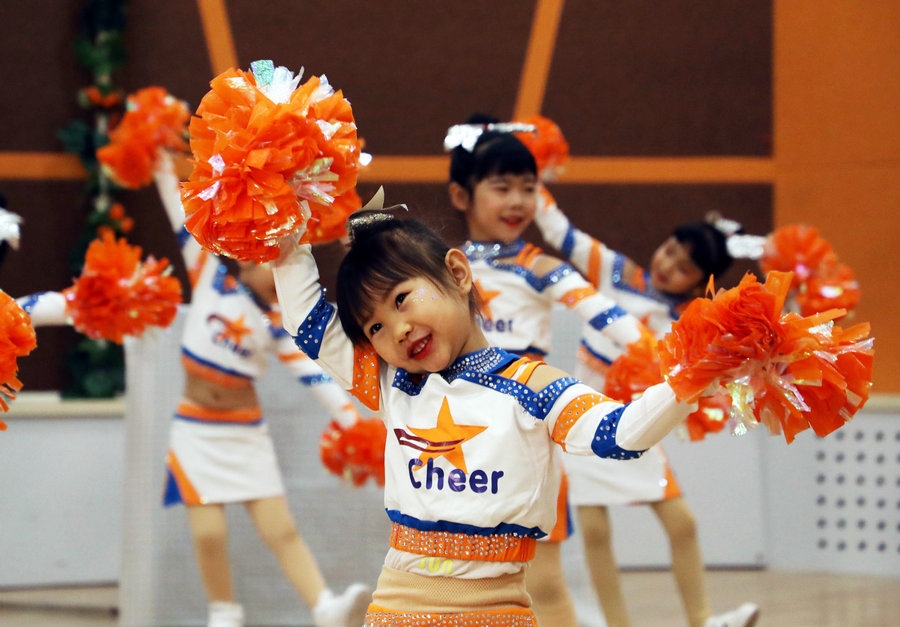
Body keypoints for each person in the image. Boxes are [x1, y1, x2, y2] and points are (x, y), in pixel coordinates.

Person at [270, 202, 699, 626]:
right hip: (398, 613)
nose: (397, 330)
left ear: (458, 273)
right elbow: (306, 321)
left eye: (401, 299)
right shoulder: (391, 383)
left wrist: (696, 374)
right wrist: (286, 217)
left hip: (502, 612)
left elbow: (618, 434)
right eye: (374, 327)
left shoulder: (535, 387)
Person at [444, 115, 658, 627]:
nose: (518, 200)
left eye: (528, 187)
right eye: (502, 187)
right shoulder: (439, 267)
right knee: (456, 579)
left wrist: (668, 357)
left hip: (525, 438)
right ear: (461, 196)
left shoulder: (543, 267)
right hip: (454, 439)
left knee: (542, 582)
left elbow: (605, 315)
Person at [152, 156, 371, 627]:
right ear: (246, 256)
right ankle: (223, 612)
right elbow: (181, 218)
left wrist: (353, 423)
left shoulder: (278, 323)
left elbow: (314, 375)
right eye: (272, 263)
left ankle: (324, 606)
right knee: (208, 533)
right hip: (194, 427)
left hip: (244, 431)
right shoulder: (209, 278)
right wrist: (159, 168)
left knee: (280, 527)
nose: (278, 276)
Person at [534, 193, 761, 627]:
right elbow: (561, 232)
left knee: (682, 523)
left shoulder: (696, 320)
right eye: (670, 250)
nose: (668, 264)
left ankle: (703, 620)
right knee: (595, 531)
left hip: (639, 425)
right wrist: (534, 183)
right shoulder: (615, 271)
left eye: (684, 268)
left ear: (700, 282)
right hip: (583, 422)